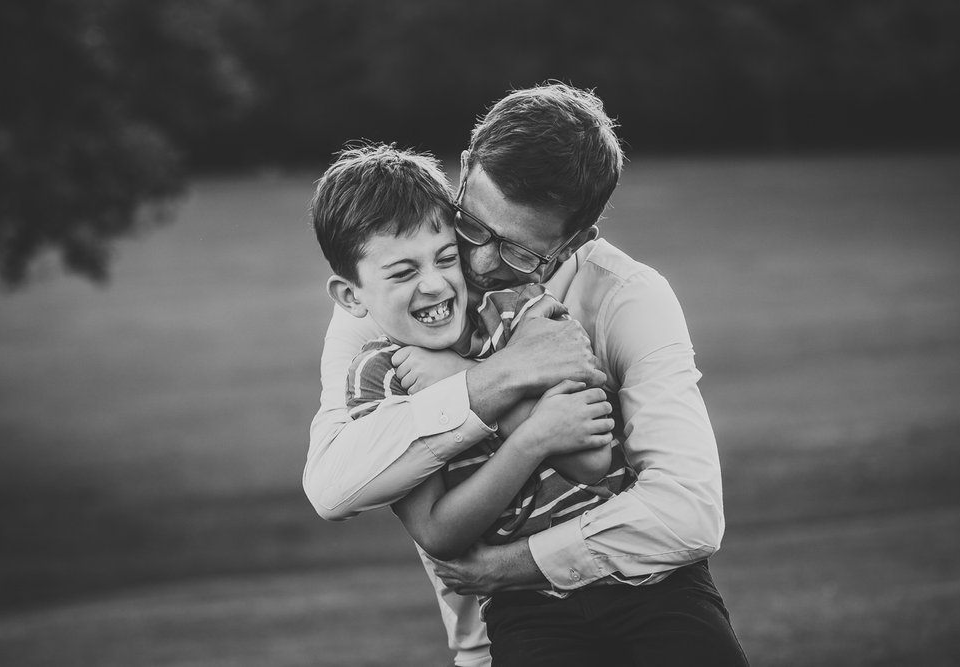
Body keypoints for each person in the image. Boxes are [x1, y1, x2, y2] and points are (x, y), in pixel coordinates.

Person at [304, 83, 749, 666]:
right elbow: (333, 487)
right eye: (472, 226)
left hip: (651, 592)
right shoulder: (389, 302)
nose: (479, 265)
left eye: (520, 253)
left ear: (573, 241)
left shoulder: (619, 301)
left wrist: (505, 565)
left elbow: (688, 515)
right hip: (500, 636)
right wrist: (489, 381)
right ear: (463, 173)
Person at [311, 143, 633, 566]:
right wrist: (532, 438)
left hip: (615, 561)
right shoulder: (379, 375)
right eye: (404, 273)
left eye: (447, 259)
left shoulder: (521, 310)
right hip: (522, 604)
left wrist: (458, 377)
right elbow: (436, 533)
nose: (434, 284)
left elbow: (593, 461)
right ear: (350, 296)